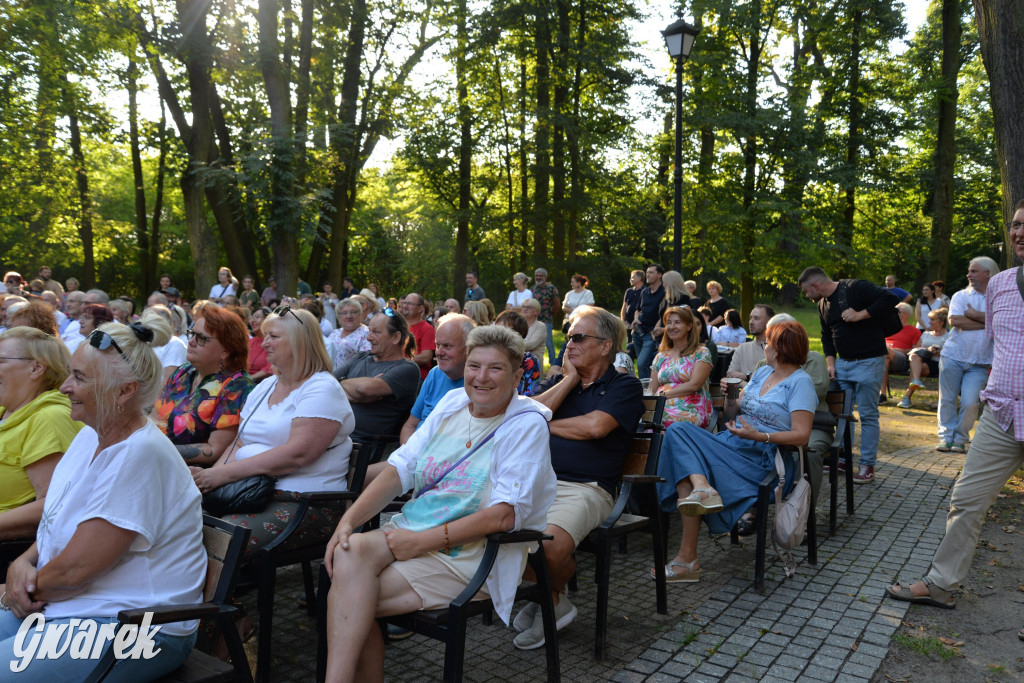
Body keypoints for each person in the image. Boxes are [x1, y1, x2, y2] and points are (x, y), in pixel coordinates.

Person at [322, 325, 555, 682]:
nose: (481, 378)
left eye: (495, 368)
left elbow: (504, 515)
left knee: (348, 597)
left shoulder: (526, 424)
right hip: (412, 532)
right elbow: (401, 469)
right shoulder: (451, 404)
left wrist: (419, 542)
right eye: (475, 366)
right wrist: (348, 521)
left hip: (471, 556)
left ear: (517, 375)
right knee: (349, 551)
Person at [0, 317, 207, 678]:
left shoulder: (139, 455)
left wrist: (21, 586)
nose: (64, 387)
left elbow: (76, 571)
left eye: (79, 377)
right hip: (74, 608)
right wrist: (22, 562)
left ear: (125, 391)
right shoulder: (88, 435)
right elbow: (56, 514)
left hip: (137, 629)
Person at [886, 202, 1024, 619]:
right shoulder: (1000, 284)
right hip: (1003, 412)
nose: (1019, 232)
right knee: (965, 498)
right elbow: (1003, 342)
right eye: (1017, 224)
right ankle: (942, 585)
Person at [510, 306, 643, 650]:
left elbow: (596, 426)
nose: (569, 343)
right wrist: (569, 379)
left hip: (588, 489)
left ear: (606, 346)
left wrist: (547, 425)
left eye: (579, 337)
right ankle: (553, 599)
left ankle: (547, 599)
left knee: (547, 549)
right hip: (538, 482)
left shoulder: (624, 386)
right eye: (568, 336)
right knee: (492, 536)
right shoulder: (560, 382)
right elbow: (524, 416)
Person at [654, 320, 815, 582]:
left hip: (766, 458)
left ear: (778, 349)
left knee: (683, 459)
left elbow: (802, 434)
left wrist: (759, 435)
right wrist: (731, 398)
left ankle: (688, 558)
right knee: (679, 431)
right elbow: (732, 412)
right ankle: (702, 488)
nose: (764, 347)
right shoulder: (762, 373)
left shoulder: (800, 383)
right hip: (733, 444)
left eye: (767, 343)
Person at [192, 306, 354, 552]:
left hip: (304, 502)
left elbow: (297, 454)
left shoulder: (322, 388)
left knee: (220, 537)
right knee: (181, 520)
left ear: (301, 342)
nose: (264, 343)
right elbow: (240, 443)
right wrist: (209, 481)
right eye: (265, 335)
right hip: (250, 493)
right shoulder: (265, 386)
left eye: (274, 337)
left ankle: (221, 589)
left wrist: (222, 476)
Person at [798, 266, 899, 484]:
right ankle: (844, 458)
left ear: (815, 285)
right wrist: (830, 362)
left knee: (868, 414)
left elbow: (889, 298)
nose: (807, 296)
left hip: (869, 361)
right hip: (842, 364)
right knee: (843, 414)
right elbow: (826, 335)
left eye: (807, 291)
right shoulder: (823, 304)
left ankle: (867, 465)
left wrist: (860, 314)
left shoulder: (854, 288)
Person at [0, 328, 81, 541]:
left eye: (1, 360)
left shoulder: (49, 418)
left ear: (36, 368)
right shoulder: (9, 409)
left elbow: (54, 504)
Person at [153, 306, 255, 468]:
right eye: (192, 334)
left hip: (193, 475)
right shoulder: (183, 372)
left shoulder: (237, 385)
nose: (191, 342)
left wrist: (156, 451)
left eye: (201, 338)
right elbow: (154, 419)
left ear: (226, 350)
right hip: (157, 463)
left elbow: (215, 450)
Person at [936, 257, 999, 453]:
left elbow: (1002, 322)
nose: (968, 275)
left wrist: (972, 316)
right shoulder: (961, 296)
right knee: (947, 399)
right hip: (953, 355)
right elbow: (955, 320)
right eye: (969, 271)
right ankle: (946, 437)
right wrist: (988, 323)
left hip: (980, 361)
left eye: (974, 271)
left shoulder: (997, 297)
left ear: (987, 273)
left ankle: (961, 438)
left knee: (971, 403)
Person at [336, 310, 421, 441]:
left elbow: (365, 389)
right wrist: (351, 390)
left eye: (376, 332)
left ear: (396, 337)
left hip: (364, 447)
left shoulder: (407, 369)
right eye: (369, 331)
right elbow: (326, 383)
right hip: (334, 436)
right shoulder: (362, 357)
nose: (369, 337)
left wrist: (340, 386)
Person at [399, 314, 474, 444]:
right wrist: (407, 454)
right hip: (413, 454)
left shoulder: (479, 384)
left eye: (447, 346)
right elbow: (410, 425)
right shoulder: (435, 373)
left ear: (468, 349)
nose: (438, 352)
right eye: (438, 345)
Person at [649, 306, 713, 428]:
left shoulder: (701, 352)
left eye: (677, 322)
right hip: (661, 407)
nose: (672, 327)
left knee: (660, 420)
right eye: (669, 323)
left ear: (689, 326)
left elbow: (694, 385)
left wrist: (664, 396)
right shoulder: (661, 356)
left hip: (691, 408)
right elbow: (652, 390)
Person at [898, 308, 949, 409]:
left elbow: (951, 353)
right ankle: (916, 381)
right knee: (914, 356)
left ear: (941, 322)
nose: (929, 322)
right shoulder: (925, 334)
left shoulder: (948, 336)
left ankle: (907, 398)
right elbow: (917, 348)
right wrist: (927, 350)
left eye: (932, 320)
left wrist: (939, 352)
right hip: (921, 360)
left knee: (916, 368)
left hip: (937, 363)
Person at [495, 310, 542, 396]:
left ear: (519, 335)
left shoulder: (529, 361)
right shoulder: (488, 357)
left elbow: (531, 393)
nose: (499, 336)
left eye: (505, 331)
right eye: (496, 330)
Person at [631, 263, 665, 380]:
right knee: (643, 365)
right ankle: (645, 390)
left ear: (659, 275)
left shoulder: (664, 292)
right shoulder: (644, 292)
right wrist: (635, 319)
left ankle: (646, 389)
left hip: (651, 334)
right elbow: (638, 310)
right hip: (638, 332)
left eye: (651, 272)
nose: (648, 275)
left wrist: (656, 329)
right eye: (647, 272)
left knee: (641, 363)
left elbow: (664, 314)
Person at [725, 304, 775, 382]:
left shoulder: (777, 350)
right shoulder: (742, 348)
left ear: (769, 322)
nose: (751, 322)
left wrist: (746, 376)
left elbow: (771, 380)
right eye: (750, 318)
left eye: (756, 318)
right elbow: (730, 377)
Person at [881, 302, 922, 398]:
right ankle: (882, 394)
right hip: (884, 356)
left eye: (896, 311)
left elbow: (915, 351)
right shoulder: (888, 327)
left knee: (885, 351)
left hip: (901, 360)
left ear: (905, 315)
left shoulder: (914, 331)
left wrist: (899, 350)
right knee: (885, 358)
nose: (893, 313)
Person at [326, 298, 371, 371]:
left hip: (351, 378)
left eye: (353, 312)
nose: (349, 316)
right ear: (338, 317)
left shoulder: (366, 333)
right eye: (344, 313)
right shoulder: (334, 333)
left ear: (360, 314)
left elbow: (365, 361)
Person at [148, 305, 190, 381]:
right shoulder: (146, 342)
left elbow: (168, 384)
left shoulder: (174, 344)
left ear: (165, 323)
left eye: (150, 319)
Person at [401, 293, 436, 381]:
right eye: (404, 303)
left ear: (420, 309)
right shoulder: (397, 326)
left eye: (409, 304)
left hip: (415, 375)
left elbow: (426, 358)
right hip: (394, 370)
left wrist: (400, 361)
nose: (405, 306)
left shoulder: (427, 329)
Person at [531, 268, 561, 366]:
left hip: (546, 320)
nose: (538, 277)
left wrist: (551, 314)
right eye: (537, 275)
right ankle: (537, 365)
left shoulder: (551, 288)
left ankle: (553, 366)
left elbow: (557, 304)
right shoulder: (532, 289)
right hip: (533, 321)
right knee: (534, 343)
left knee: (549, 344)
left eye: (541, 275)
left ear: (545, 277)